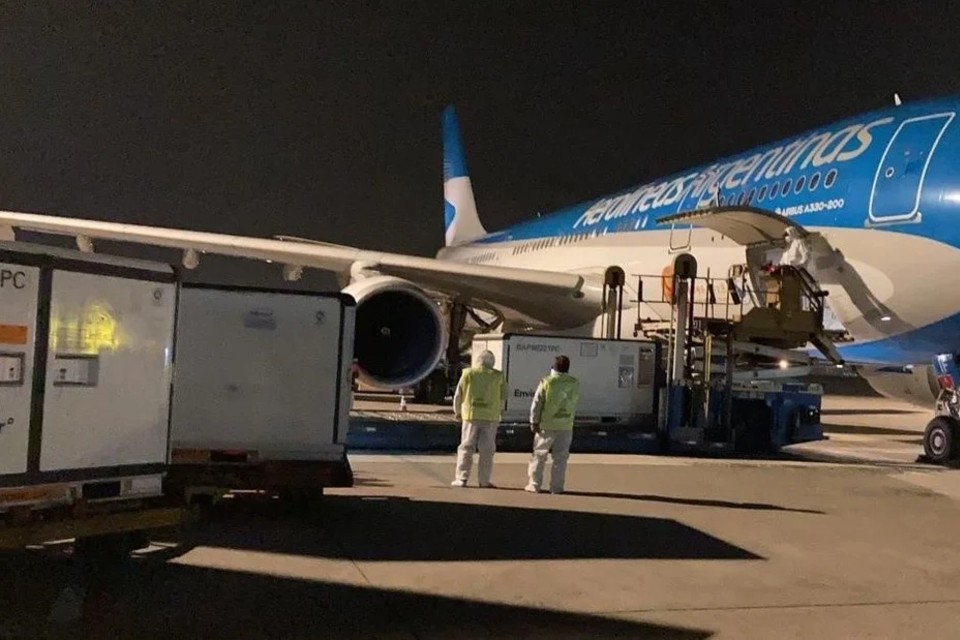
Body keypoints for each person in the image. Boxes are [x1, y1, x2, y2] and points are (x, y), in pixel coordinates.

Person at [526, 354, 580, 494]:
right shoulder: (574, 382)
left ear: (552, 367)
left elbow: (537, 403)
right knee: (561, 459)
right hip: (566, 425)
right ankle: (557, 487)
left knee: (539, 455)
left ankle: (534, 484)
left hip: (547, 425)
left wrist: (534, 421)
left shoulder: (547, 381)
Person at [451, 350, 506, 488]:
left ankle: (461, 478)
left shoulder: (468, 374)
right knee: (487, 451)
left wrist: (457, 412)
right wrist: (498, 412)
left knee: (466, 447)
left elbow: (458, 395)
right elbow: (504, 396)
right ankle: (484, 481)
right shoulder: (498, 376)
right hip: (490, 417)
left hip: (471, 416)